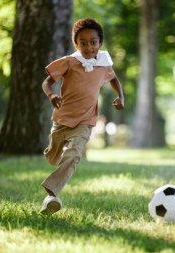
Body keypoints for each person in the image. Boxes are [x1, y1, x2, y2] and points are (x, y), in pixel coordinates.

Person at [40, 18, 124, 215]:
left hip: (86, 120)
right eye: (83, 43)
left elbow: (114, 79)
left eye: (93, 42)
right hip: (62, 118)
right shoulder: (70, 62)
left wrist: (120, 96)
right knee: (53, 155)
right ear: (76, 44)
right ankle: (52, 152)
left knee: (74, 154)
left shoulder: (104, 63)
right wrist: (52, 95)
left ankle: (52, 193)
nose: (89, 47)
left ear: (100, 43)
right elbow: (46, 83)